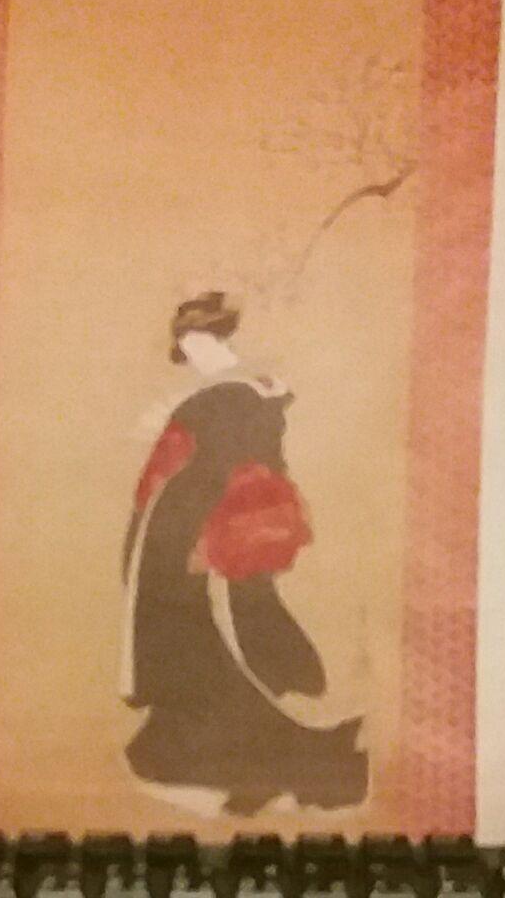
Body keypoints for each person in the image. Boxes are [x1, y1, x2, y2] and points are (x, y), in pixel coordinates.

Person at [119, 292, 368, 816]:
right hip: (176, 534)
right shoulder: (229, 393)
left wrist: (216, 539)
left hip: (212, 531)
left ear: (213, 337)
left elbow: (251, 472)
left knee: (223, 635)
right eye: (185, 345)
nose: (191, 353)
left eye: (195, 341)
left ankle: (263, 760)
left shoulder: (240, 395)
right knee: (187, 638)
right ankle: (216, 749)